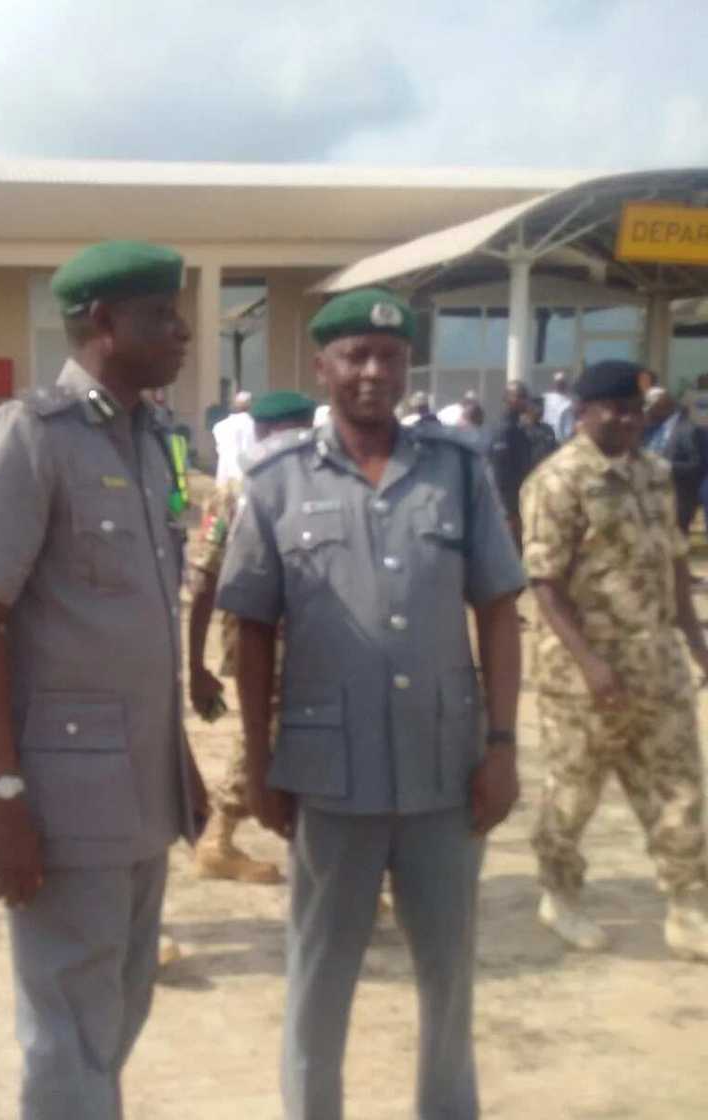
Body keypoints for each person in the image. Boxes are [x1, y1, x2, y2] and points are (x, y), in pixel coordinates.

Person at [217, 286, 524, 1120]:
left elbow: (498, 609)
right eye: (354, 355)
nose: (373, 372)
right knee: (320, 979)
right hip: (328, 778)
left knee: (448, 981)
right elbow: (251, 630)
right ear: (322, 366)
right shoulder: (276, 483)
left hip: (445, 772)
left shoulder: (457, 471)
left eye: (389, 356)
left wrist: (502, 745)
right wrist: (258, 760)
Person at [0, 240, 206, 1120]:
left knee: (121, 1007)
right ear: (102, 323)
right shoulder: (31, 433)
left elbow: (138, 623)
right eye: (162, 317)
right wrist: (3, 790)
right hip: (58, 794)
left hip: (139, 783)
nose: (183, 332)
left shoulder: (153, 437)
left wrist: (180, 757)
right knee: (67, 1030)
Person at [521, 360, 708, 961]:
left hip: (658, 664)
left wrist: (697, 641)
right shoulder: (557, 481)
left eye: (634, 408)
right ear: (582, 413)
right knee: (573, 793)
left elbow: (675, 562)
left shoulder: (656, 474)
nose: (627, 419)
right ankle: (560, 897)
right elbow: (544, 583)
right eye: (614, 409)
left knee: (681, 786)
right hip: (583, 677)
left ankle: (686, 905)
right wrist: (590, 663)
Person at [188, 390, 318, 884]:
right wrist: (197, 664)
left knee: (280, 735)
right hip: (264, 640)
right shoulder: (237, 491)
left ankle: (220, 840)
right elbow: (203, 578)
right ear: (262, 432)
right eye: (291, 429)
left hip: (314, 640)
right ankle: (221, 840)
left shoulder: (324, 481)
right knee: (273, 735)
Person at [643, 385, 704, 533]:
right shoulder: (648, 429)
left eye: (651, 407)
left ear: (665, 406)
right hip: (649, 499)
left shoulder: (689, 431)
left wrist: (665, 466)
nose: (647, 411)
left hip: (677, 500)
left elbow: (697, 467)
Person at [488, 379, 534, 552]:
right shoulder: (504, 429)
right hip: (509, 504)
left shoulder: (518, 428)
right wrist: (509, 510)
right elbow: (500, 473)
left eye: (525, 396)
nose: (525, 400)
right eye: (520, 396)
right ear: (507, 399)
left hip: (520, 499)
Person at [212, 390, 255, 484]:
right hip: (246, 474)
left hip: (225, 474)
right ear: (250, 405)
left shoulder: (220, 426)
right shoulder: (255, 425)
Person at [523, 394, 559, 468]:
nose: (542, 410)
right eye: (538, 407)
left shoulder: (548, 429)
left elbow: (554, 450)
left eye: (542, 406)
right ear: (529, 408)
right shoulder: (522, 430)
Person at [544, 369, 574, 440]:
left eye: (562, 383)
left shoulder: (570, 401)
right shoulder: (546, 398)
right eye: (558, 383)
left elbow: (569, 423)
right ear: (554, 384)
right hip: (548, 438)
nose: (560, 385)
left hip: (564, 440)